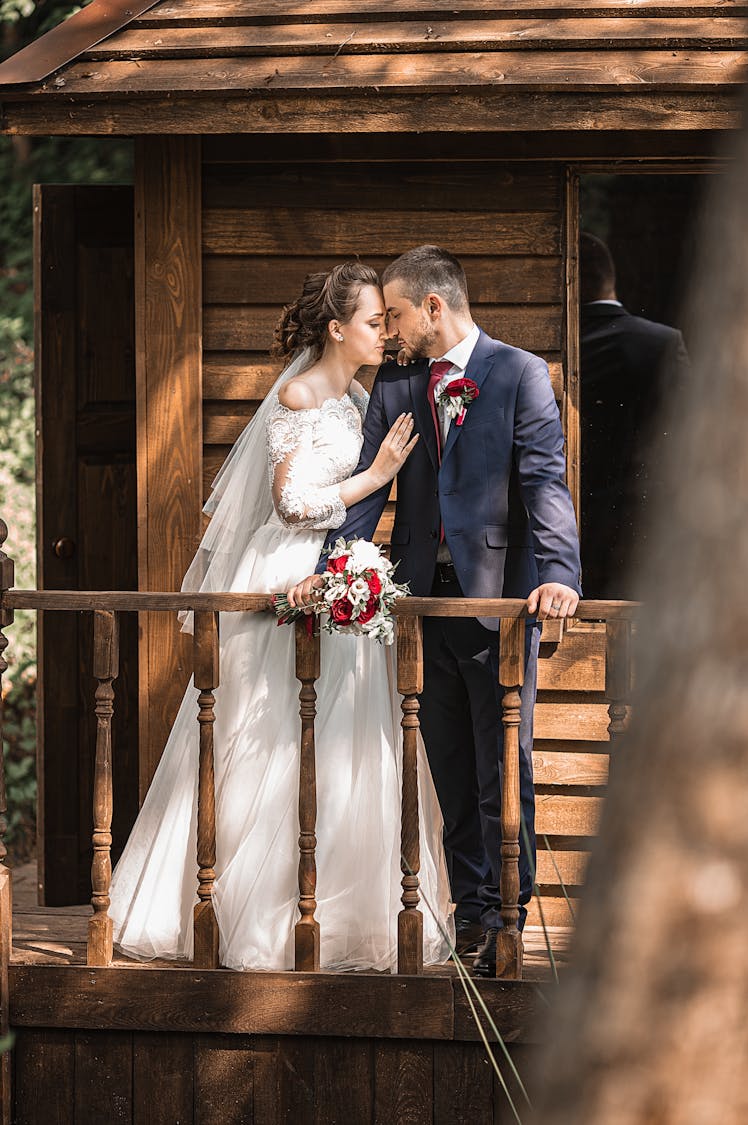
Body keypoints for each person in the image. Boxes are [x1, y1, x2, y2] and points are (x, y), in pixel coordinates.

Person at [108, 262, 454, 971]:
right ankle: (251, 913)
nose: (383, 332)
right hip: (286, 572)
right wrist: (376, 476)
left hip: (338, 572)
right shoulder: (299, 393)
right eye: (371, 321)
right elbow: (293, 501)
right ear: (336, 328)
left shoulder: (361, 394)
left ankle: (350, 913)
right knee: (264, 733)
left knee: (343, 737)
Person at [288, 246, 581, 976]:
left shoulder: (519, 375)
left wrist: (560, 575)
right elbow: (370, 490)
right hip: (422, 608)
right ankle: (474, 915)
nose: (387, 330)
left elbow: (546, 482)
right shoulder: (398, 382)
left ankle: (511, 912)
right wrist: (333, 570)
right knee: (449, 769)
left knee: (501, 769)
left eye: (393, 315)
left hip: (500, 610)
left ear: (434, 307)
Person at [580, 231, 690, 598]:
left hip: (574, 518)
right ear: (610, 278)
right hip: (649, 517)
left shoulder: (562, 346)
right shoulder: (661, 343)